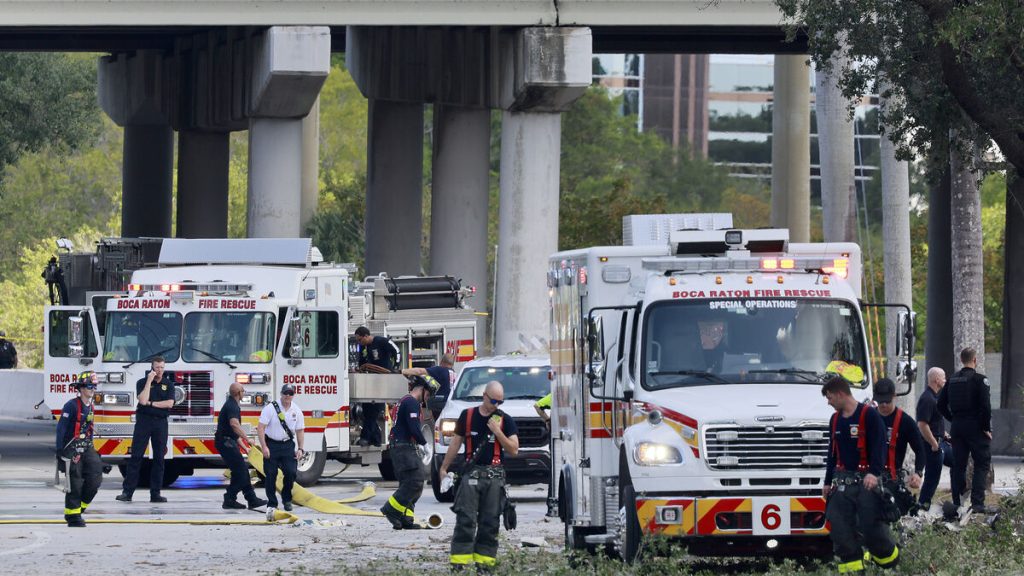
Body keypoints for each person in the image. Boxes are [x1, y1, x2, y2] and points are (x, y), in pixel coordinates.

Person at [822, 375, 899, 573]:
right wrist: (827, 482)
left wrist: (874, 473)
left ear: (840, 394)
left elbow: (880, 447)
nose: (828, 402)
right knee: (840, 529)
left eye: (830, 397)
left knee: (871, 528)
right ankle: (853, 571)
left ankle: (889, 566)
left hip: (867, 482)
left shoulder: (869, 415)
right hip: (842, 484)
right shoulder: (835, 419)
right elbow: (832, 452)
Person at [439, 381, 519, 570]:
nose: (497, 405)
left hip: (494, 477)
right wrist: (444, 468)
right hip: (471, 476)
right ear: (484, 396)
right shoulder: (467, 416)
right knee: (465, 519)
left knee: (490, 522)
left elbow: (514, 449)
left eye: (500, 402)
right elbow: (455, 444)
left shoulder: (505, 420)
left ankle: (485, 565)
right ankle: (459, 564)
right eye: (493, 401)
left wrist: (497, 432)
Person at [937, 347, 993, 514]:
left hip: (958, 427)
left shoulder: (952, 380)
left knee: (958, 465)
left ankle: (958, 502)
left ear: (962, 360)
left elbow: (940, 405)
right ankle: (977, 503)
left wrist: (953, 419)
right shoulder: (980, 380)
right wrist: (985, 428)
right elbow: (986, 407)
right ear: (975, 360)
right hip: (975, 427)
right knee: (981, 463)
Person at [381, 375, 440, 529]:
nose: (426, 399)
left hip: (401, 447)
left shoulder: (404, 401)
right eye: (427, 395)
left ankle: (406, 518)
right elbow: (414, 427)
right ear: (422, 389)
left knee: (409, 483)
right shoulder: (411, 402)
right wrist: (424, 443)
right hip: (403, 448)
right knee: (416, 481)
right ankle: (391, 510)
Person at [117, 357, 175, 503]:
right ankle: (127, 492)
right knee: (136, 457)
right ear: (152, 368)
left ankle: (155, 494)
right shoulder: (142, 382)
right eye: (157, 367)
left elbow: (169, 403)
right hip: (144, 422)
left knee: (159, 459)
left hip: (160, 423)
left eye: (162, 367)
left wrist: (151, 403)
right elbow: (142, 400)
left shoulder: (168, 384)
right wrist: (149, 381)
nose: (159, 370)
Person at [56, 372, 103, 527]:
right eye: (90, 385)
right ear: (81, 388)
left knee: (95, 479)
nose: (92, 389)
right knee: (75, 482)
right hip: (72, 447)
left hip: (87, 446)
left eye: (94, 386)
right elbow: (61, 429)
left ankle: (78, 510)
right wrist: (60, 452)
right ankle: (73, 516)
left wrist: (94, 454)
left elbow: (88, 430)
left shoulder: (91, 406)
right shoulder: (71, 405)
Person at [216, 382, 268, 510]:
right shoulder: (232, 406)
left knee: (240, 471)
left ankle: (251, 499)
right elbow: (234, 425)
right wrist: (247, 439)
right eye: (243, 391)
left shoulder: (232, 405)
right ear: (239, 393)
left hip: (227, 441)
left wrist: (244, 447)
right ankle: (230, 498)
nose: (244, 393)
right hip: (225, 442)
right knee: (241, 471)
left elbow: (233, 431)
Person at [257, 384, 305, 512]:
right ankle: (272, 503)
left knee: (291, 472)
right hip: (272, 444)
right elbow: (261, 427)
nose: (287, 396)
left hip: (288, 445)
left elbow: (300, 430)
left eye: (290, 393)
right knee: (270, 474)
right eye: (285, 393)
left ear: (293, 395)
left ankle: (287, 498)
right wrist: (264, 447)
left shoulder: (297, 410)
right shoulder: (271, 408)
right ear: (281, 394)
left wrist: (300, 448)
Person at [872, 378, 925, 489]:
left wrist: (918, 473)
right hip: (869, 478)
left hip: (892, 478)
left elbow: (920, 450)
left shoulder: (906, 421)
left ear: (894, 396)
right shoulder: (868, 417)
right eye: (881, 401)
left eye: (887, 401)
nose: (884, 405)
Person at [354, 326, 400, 447]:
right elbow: (362, 362)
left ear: (366, 336)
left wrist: (395, 367)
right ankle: (376, 439)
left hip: (382, 380)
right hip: (370, 381)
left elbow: (396, 350)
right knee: (366, 411)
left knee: (373, 411)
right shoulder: (364, 347)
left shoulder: (381, 341)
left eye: (360, 339)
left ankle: (365, 437)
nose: (359, 342)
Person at [917, 367, 954, 510]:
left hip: (941, 442)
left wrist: (944, 433)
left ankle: (957, 498)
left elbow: (934, 422)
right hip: (932, 446)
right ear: (937, 380)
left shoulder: (936, 397)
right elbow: (922, 424)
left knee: (958, 462)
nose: (945, 380)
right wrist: (933, 444)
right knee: (932, 479)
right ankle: (922, 506)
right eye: (944, 377)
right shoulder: (927, 399)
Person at [402, 353, 456, 419]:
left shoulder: (440, 370)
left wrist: (403, 371)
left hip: (441, 408)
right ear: (452, 364)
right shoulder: (454, 373)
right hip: (452, 408)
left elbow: (420, 371)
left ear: (441, 361)